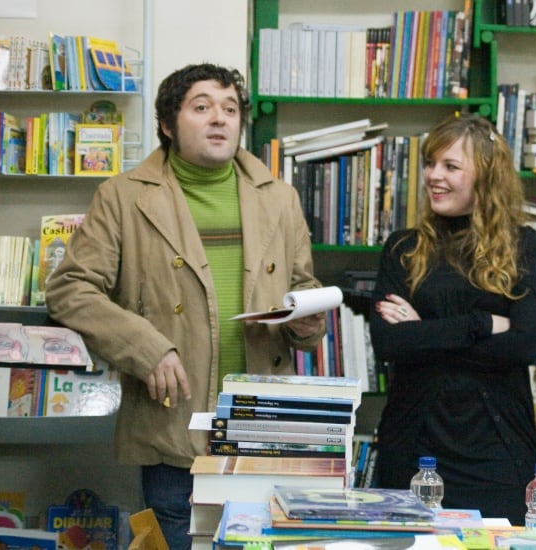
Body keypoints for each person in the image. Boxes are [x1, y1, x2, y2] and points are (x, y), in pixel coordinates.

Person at [46, 62, 326, 548]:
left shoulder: (280, 198)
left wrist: (307, 322)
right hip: (173, 428)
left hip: (262, 427)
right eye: (202, 107)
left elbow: (300, 287)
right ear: (168, 124)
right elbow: (70, 288)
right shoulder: (123, 196)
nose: (220, 118)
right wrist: (145, 346)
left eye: (230, 108)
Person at [370, 113, 536, 524]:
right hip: (412, 447)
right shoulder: (403, 248)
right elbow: (389, 344)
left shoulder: (525, 247)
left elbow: (524, 345)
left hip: (496, 453)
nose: (434, 176)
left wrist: (423, 333)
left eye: (450, 166)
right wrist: (483, 324)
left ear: (486, 179)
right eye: (430, 164)